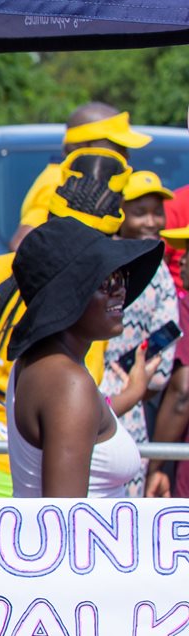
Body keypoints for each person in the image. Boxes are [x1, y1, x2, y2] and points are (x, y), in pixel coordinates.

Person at [0, 150, 129, 500]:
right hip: (13, 479)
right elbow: (74, 412)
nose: (115, 284)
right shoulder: (85, 306)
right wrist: (135, 392)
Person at [6, 216, 161, 499]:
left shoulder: (44, 365)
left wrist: (133, 393)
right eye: (106, 282)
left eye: (121, 277)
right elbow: (64, 517)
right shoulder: (67, 381)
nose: (121, 290)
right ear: (68, 297)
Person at [100, 169, 177, 458]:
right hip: (128, 415)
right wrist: (137, 387)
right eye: (140, 212)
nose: (152, 222)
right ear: (120, 214)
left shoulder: (93, 259)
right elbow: (160, 371)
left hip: (82, 399)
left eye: (157, 212)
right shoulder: (158, 270)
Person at [12, 103, 148, 247]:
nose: (126, 156)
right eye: (118, 147)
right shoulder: (59, 182)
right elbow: (22, 243)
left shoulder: (76, 179)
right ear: (86, 147)